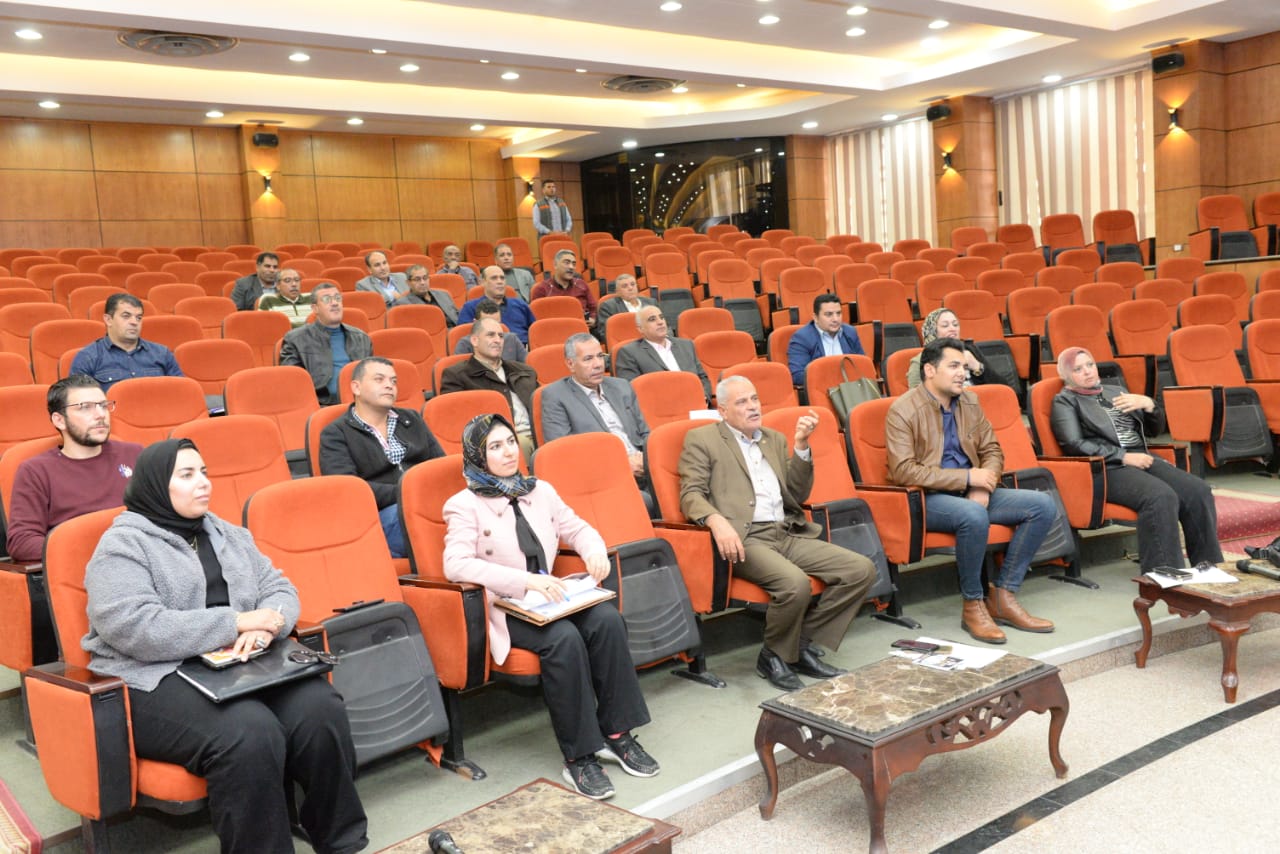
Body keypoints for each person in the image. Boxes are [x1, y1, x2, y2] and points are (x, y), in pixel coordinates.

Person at [83, 438, 367, 854]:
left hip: (238, 662)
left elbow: (280, 588)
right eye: (187, 475)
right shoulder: (122, 546)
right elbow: (134, 627)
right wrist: (235, 623)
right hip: (157, 676)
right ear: (156, 485)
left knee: (319, 709)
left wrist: (269, 626)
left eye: (204, 472)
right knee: (249, 732)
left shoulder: (226, 533)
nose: (204, 483)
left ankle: (342, 842)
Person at [443, 414, 656, 800]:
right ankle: (579, 756)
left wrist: (594, 551)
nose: (508, 452)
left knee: (607, 620)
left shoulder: (540, 490)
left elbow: (578, 528)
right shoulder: (463, 504)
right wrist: (524, 581)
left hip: (551, 596)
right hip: (507, 605)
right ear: (477, 455)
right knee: (563, 639)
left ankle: (616, 734)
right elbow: (455, 565)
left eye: (511, 442)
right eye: (495, 447)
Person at [678, 376, 876, 691]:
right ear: (723, 410)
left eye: (755, 398)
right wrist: (715, 520)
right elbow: (690, 493)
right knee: (794, 584)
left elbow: (796, 494)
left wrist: (801, 446)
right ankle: (773, 656)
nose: (752, 406)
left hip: (785, 531)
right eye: (742, 402)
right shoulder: (703, 439)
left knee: (860, 570)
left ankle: (800, 645)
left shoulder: (774, 439)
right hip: (744, 539)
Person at [885, 338, 1056, 644]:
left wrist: (983, 485)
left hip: (972, 491)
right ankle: (973, 604)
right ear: (929, 370)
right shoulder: (903, 410)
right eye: (953, 366)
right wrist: (966, 478)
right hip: (928, 498)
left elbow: (992, 450)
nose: (962, 373)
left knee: (1042, 505)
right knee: (973, 515)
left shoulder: (970, 402)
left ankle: (1003, 595)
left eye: (964, 367)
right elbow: (903, 471)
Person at [1051, 346, 1222, 571]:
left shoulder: (1116, 391)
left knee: (1198, 490)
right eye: (1078, 369)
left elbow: (1153, 431)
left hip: (1142, 458)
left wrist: (1149, 405)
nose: (1087, 371)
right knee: (1160, 496)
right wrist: (1123, 456)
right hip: (1105, 468)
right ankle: (1163, 573)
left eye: (1090, 365)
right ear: (1066, 375)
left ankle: (1208, 566)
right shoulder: (1065, 401)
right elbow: (1074, 444)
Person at [5, 375, 143, 563]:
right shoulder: (36, 471)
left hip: (145, 560)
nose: (100, 414)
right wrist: (97, 550)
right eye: (85, 407)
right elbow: (22, 542)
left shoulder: (134, 454)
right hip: (83, 570)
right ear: (59, 420)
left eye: (103, 405)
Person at [319, 358, 444, 559]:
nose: (389, 385)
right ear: (356, 388)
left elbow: (440, 467)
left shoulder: (411, 419)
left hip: (426, 504)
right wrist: (409, 493)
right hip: (381, 515)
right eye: (379, 379)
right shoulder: (335, 433)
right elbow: (348, 489)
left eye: (393, 381)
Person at [541, 333, 649, 483]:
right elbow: (564, 452)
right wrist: (622, 464)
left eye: (600, 356)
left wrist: (647, 459)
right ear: (570, 364)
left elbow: (645, 433)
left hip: (644, 466)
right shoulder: (555, 396)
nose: (598, 364)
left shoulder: (622, 386)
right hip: (604, 476)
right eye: (588, 359)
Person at [440, 317, 539, 459]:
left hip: (538, 433)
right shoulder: (457, 376)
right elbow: (456, 422)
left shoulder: (524, 371)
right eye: (490, 335)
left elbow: (543, 407)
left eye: (501, 336)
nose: (498, 340)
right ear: (474, 341)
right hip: (499, 442)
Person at [279, 282, 373, 405]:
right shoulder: (296, 339)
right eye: (327, 299)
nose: (334, 303)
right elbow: (294, 384)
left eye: (338, 298)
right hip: (322, 405)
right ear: (315, 308)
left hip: (362, 403)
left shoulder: (361, 337)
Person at [70, 293, 183, 392]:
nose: (134, 322)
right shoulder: (88, 357)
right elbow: (79, 401)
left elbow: (182, 391)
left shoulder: (162, 353)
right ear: (108, 320)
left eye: (139, 318)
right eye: (126, 316)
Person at [612, 304, 711, 403]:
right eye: (652, 319)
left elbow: (702, 378)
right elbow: (632, 390)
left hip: (696, 404)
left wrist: (703, 398)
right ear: (640, 329)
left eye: (662, 317)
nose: (660, 322)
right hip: (661, 407)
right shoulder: (629, 353)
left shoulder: (686, 345)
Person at [786, 293, 866, 386]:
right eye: (829, 315)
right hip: (822, 389)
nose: (835, 319)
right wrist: (833, 379)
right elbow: (798, 376)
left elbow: (862, 365)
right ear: (815, 318)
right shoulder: (802, 338)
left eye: (838, 313)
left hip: (851, 388)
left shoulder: (849, 332)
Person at [906, 308, 991, 390]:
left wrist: (977, 366)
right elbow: (916, 396)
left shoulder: (970, 350)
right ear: (932, 331)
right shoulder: (920, 361)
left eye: (955, 325)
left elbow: (998, 387)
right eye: (945, 326)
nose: (952, 329)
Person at [457, 265, 536, 344]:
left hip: (523, 348)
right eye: (494, 278)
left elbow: (535, 331)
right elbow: (465, 340)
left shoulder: (520, 304)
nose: (500, 282)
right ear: (482, 282)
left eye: (502, 278)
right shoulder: (470, 307)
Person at [531, 249, 597, 328]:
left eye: (574, 264)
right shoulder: (542, 289)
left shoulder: (581, 284)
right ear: (555, 265)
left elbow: (593, 308)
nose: (571, 267)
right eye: (567, 263)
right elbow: (536, 317)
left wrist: (593, 319)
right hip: (554, 330)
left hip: (581, 328)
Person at [454, 299, 527, 362]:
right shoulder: (465, 344)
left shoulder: (512, 339)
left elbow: (527, 366)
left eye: (497, 324)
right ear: (475, 323)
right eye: (488, 324)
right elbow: (461, 371)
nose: (493, 328)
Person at [594, 273, 657, 343]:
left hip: (654, 341)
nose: (630, 288)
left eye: (633, 284)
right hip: (627, 345)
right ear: (617, 292)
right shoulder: (608, 307)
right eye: (625, 286)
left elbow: (663, 324)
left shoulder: (651, 302)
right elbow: (605, 334)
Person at [394, 264, 459, 326]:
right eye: (417, 279)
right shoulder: (403, 304)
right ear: (408, 283)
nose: (422, 282)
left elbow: (456, 315)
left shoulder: (443, 294)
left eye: (425, 278)